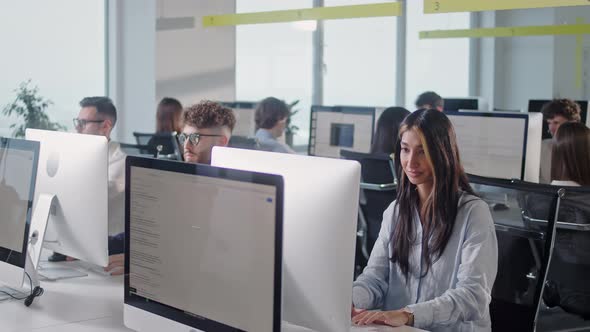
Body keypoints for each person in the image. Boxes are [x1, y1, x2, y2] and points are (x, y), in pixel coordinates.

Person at [351, 109, 498, 331]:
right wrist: (349, 300)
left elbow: (473, 295)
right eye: (405, 149)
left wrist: (408, 315)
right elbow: (375, 278)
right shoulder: (396, 211)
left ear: (442, 153)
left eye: (422, 152)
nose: (411, 162)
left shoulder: (473, 214)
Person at [49, 97, 126, 263]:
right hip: (74, 248)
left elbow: (88, 199)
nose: (77, 128)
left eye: (83, 123)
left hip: (106, 253)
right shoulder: (80, 157)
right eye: (77, 121)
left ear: (105, 126)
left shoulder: (120, 163)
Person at [178, 100, 236, 164]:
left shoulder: (239, 172)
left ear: (221, 142)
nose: (186, 146)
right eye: (183, 138)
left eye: (195, 138)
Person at [539, 99, 581, 183]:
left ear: (573, 123)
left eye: (556, 122)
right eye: (549, 123)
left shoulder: (584, 148)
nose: (551, 128)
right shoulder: (542, 146)